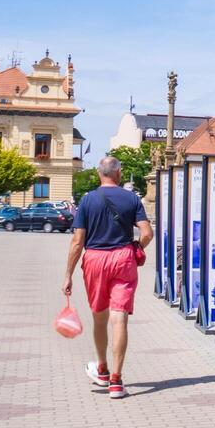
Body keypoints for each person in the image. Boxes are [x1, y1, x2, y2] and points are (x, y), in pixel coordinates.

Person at [63, 156, 153, 399]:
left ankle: (102, 369)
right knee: (119, 318)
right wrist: (137, 247)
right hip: (123, 258)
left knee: (99, 317)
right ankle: (116, 381)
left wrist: (68, 275)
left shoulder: (88, 200)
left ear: (98, 174)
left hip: (94, 259)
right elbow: (147, 233)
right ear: (119, 173)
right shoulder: (132, 199)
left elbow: (77, 241)